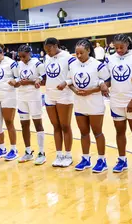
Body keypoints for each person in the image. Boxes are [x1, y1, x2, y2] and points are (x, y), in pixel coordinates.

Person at [60, 39, 110, 173]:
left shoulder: (98, 65)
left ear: (88, 51)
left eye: (81, 53)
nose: (79, 55)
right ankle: (86, 158)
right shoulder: (73, 65)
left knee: (97, 132)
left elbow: (107, 82)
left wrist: (92, 90)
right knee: (83, 133)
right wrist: (74, 90)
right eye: (76, 53)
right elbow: (70, 80)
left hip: (94, 103)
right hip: (79, 103)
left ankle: (101, 159)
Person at [105, 34, 132, 175]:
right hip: (116, 101)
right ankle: (122, 160)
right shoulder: (109, 59)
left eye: (121, 47)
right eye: (116, 47)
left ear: (127, 45)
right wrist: (102, 85)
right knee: (119, 132)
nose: (118, 50)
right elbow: (106, 78)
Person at [43, 38, 75, 167]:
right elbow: (47, 75)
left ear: (56, 46)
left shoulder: (68, 57)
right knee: (55, 126)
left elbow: (75, 75)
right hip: (50, 95)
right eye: (45, 50)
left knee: (65, 126)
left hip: (64, 95)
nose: (48, 52)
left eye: (49, 49)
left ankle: (68, 155)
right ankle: (59, 154)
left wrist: (66, 82)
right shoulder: (47, 58)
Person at [15, 45, 47, 164]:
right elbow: (18, 79)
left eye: (24, 56)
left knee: (38, 124)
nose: (22, 59)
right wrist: (16, 83)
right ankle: (28, 152)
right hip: (21, 96)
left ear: (30, 53)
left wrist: (31, 81)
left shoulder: (38, 64)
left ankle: (42, 152)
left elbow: (44, 79)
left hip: (34, 97)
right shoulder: (19, 65)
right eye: (20, 57)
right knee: (24, 125)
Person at [0, 46, 19, 161]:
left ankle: (13, 149)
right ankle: (1, 148)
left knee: (9, 122)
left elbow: (18, 77)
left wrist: (15, 81)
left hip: (8, 95)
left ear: (2, 53)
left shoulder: (11, 63)